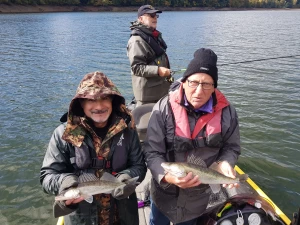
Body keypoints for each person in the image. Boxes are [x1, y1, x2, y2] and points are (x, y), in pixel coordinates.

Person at [143, 48, 241, 225]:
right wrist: (167, 177)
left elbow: (231, 147)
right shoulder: (163, 108)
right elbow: (152, 152)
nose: (198, 91)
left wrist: (226, 162)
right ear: (184, 81)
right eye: (194, 82)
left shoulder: (228, 113)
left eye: (206, 84)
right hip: (164, 195)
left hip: (197, 200)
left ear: (214, 87)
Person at [40, 71, 147, 225]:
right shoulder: (62, 135)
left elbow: (139, 166)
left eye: (104, 98)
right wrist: (64, 181)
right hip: (81, 219)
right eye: (91, 100)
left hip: (123, 217)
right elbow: (47, 177)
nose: (99, 106)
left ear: (112, 101)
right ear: (80, 103)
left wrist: (127, 177)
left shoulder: (128, 131)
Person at [127, 4, 172, 107]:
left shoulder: (152, 36)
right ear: (141, 19)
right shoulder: (136, 41)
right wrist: (158, 70)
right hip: (148, 98)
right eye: (151, 16)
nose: (155, 18)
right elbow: (136, 68)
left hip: (159, 92)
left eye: (156, 16)